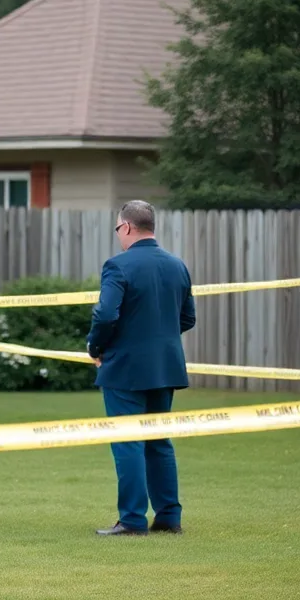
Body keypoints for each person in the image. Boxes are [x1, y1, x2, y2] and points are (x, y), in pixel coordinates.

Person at [86, 201, 196, 536]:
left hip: (125, 369)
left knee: (128, 442)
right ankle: (168, 517)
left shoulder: (117, 266)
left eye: (118, 228)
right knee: (158, 441)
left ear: (127, 227)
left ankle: (132, 519)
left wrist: (96, 346)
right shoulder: (177, 266)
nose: (118, 234)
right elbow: (188, 318)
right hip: (165, 368)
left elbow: (105, 315)